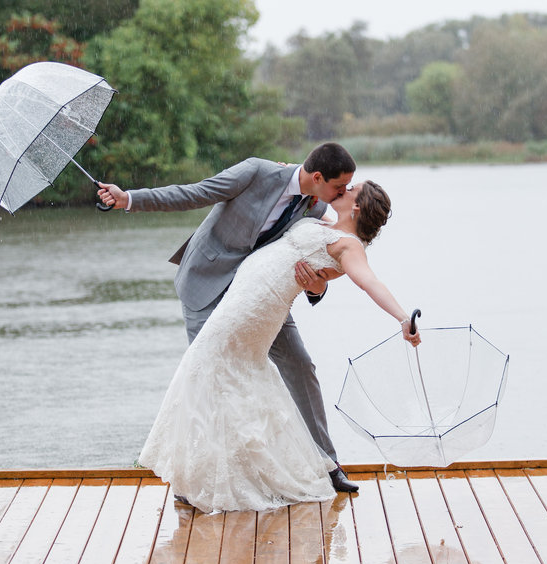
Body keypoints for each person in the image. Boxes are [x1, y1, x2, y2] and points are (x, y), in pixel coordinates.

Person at [137, 180, 420, 514]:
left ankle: (205, 478)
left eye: (352, 188)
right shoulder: (322, 218)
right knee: (222, 374)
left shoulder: (350, 247)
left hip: (257, 307)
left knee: (208, 367)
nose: (345, 187)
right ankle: (214, 474)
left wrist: (403, 318)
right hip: (242, 293)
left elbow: (369, 282)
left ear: (357, 206)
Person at [97, 142, 358, 492]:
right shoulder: (255, 171)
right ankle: (194, 482)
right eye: (339, 186)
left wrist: (316, 289)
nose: (341, 193)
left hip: (259, 297)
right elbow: (194, 193)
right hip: (205, 281)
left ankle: (327, 463)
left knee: (300, 365)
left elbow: (313, 258)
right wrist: (128, 198)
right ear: (317, 176)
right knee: (207, 381)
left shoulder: (315, 207)